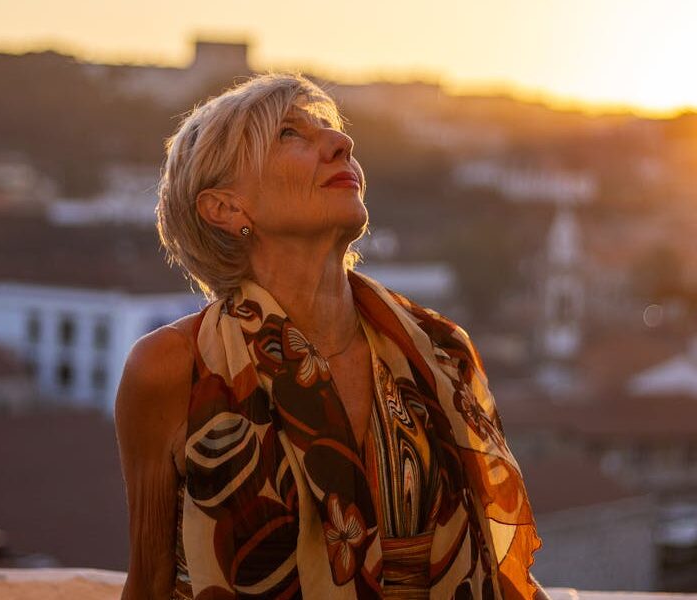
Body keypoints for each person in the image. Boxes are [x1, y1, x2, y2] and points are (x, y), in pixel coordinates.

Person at [115, 73, 544, 599]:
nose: (343, 142)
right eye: (290, 134)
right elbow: (150, 581)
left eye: (331, 130)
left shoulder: (440, 350)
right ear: (226, 208)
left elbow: (492, 561)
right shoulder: (170, 368)